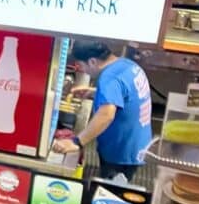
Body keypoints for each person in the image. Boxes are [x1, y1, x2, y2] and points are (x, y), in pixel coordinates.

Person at [52, 40, 153, 182]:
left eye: (81, 65)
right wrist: (96, 92)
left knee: (111, 192)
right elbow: (127, 94)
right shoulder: (127, 65)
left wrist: (77, 142)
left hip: (121, 152)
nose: (83, 70)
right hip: (137, 143)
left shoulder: (108, 78)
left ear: (92, 61)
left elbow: (106, 115)